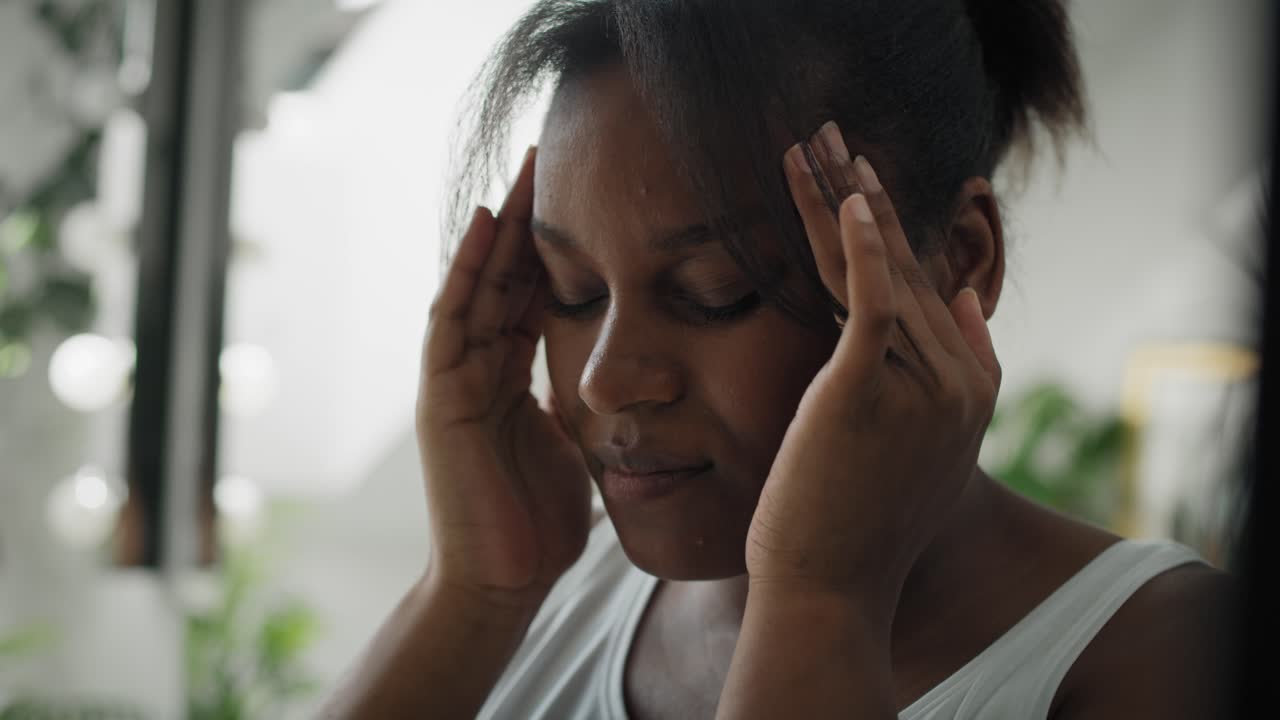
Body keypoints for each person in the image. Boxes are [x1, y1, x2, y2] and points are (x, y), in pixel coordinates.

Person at [321, 1, 1235, 717]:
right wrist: (476, 589)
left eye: (717, 290)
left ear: (960, 259)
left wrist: (820, 604)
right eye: (571, 290)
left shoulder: (1170, 657)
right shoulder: (552, 595)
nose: (602, 377)